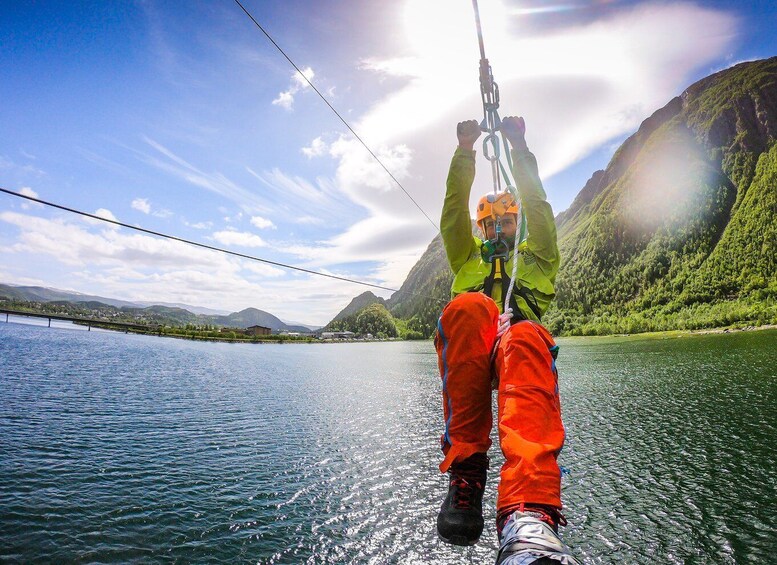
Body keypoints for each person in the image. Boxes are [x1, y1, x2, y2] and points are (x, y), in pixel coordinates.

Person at [435, 116, 579, 564]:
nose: (498, 231)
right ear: (481, 229)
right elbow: (452, 212)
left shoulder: (538, 256)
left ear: (518, 224)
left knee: (523, 334)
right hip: (475, 352)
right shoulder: (466, 260)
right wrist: (464, 151)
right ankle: (468, 470)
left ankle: (528, 511)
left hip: (518, 352)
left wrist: (518, 145)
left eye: (506, 223)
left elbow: (537, 201)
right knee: (466, 309)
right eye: (490, 225)